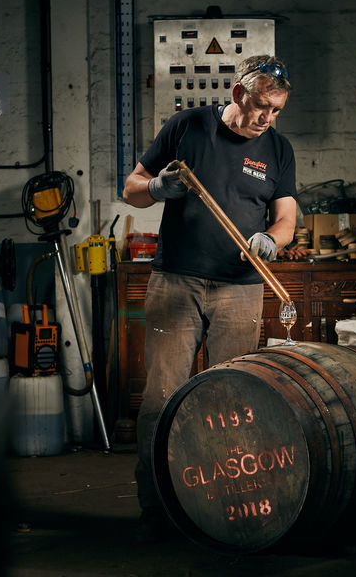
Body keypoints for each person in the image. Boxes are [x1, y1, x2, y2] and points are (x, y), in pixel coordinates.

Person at [122, 54, 297, 541]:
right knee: (161, 399)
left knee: (233, 402)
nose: (267, 118)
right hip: (175, 281)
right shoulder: (187, 126)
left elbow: (285, 219)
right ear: (239, 94)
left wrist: (273, 241)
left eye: (277, 110)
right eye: (262, 106)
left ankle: (225, 512)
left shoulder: (279, 151)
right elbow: (131, 189)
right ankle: (158, 511)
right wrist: (158, 187)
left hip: (240, 289)